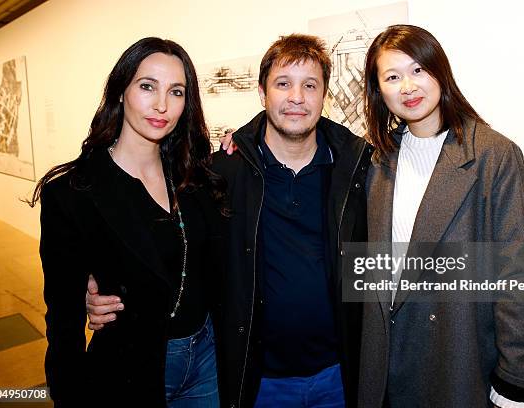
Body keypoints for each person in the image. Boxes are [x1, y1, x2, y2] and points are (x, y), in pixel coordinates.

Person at [87, 33, 373, 408]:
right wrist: (105, 286)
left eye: (310, 85)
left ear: (324, 95)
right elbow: (174, 246)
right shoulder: (223, 171)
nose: (297, 98)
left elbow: (383, 254)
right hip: (257, 380)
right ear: (262, 92)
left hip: (338, 374)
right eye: (283, 84)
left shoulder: (356, 168)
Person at [358, 24, 524, 407]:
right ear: (379, 91)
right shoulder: (377, 159)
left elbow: (518, 269)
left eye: (418, 70)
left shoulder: (494, 155)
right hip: (384, 364)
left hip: (457, 356)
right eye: (393, 77)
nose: (408, 87)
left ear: (440, 73)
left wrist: (519, 377)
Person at [30, 37, 227, 407]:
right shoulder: (74, 193)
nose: (162, 105)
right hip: (131, 368)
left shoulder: (194, 177)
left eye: (177, 92)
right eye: (147, 86)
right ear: (121, 90)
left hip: (205, 360)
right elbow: (63, 323)